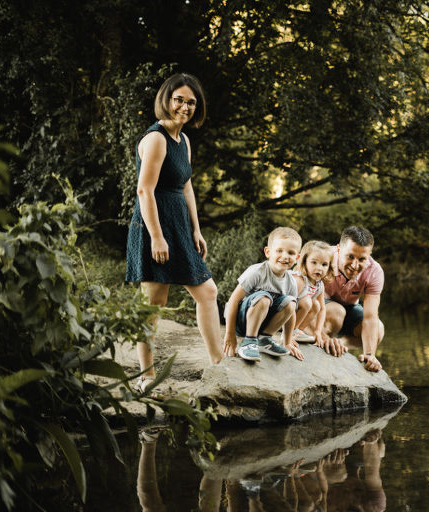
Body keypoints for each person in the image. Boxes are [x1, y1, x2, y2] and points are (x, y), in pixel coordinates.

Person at [125, 73, 222, 397]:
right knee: (153, 302)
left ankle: (218, 364)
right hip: (155, 222)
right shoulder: (156, 139)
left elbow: (186, 184)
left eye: (191, 102)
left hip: (179, 223)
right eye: (179, 99)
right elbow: (144, 190)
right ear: (166, 99)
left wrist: (196, 228)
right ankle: (145, 377)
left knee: (207, 292)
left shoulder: (184, 140)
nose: (184, 106)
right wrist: (156, 236)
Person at [222, 227, 304, 361]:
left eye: (290, 253)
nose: (285, 256)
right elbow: (233, 301)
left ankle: (264, 339)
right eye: (279, 251)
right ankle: (249, 341)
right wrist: (230, 334)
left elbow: (291, 313)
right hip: (243, 322)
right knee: (264, 298)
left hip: (263, 323)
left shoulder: (291, 281)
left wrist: (288, 342)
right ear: (268, 252)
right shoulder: (257, 272)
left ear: (297, 258)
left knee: (290, 303)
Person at [320, 226, 385, 372]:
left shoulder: (374, 271)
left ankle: (340, 344)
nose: (355, 266)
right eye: (350, 257)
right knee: (336, 312)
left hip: (349, 308)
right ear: (338, 249)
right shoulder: (321, 257)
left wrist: (370, 355)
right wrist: (322, 336)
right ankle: (323, 345)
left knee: (378, 330)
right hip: (319, 308)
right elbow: (299, 296)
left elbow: (370, 318)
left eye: (362, 259)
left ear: (369, 254)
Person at [291, 240, 335, 345]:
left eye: (324, 264)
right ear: (304, 261)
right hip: (283, 314)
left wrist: (318, 331)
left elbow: (322, 309)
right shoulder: (299, 279)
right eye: (314, 262)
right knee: (307, 301)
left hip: (295, 315)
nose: (319, 268)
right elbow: (288, 304)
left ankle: (297, 331)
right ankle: (289, 332)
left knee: (316, 305)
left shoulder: (319, 284)